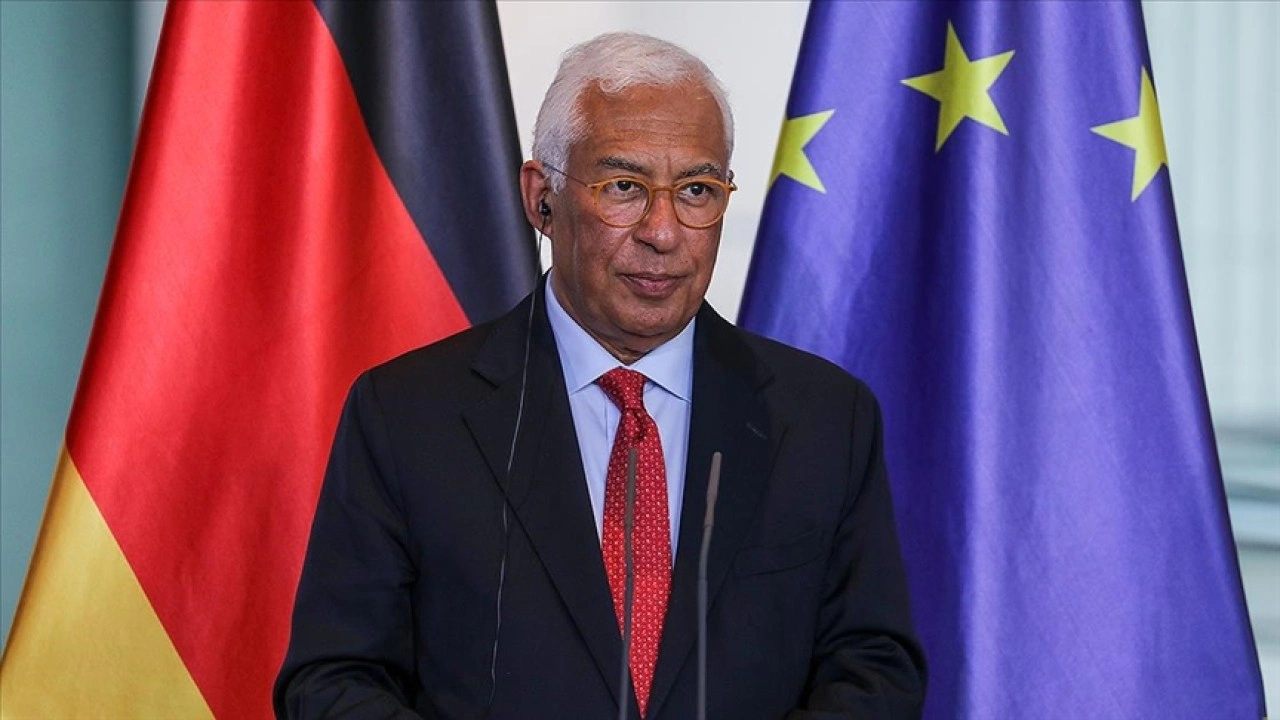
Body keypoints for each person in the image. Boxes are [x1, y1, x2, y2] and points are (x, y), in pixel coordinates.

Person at [275, 32, 925, 719]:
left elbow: (874, 673)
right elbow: (334, 682)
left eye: (697, 190)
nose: (663, 232)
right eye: (624, 188)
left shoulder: (825, 418)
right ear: (542, 198)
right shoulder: (407, 416)